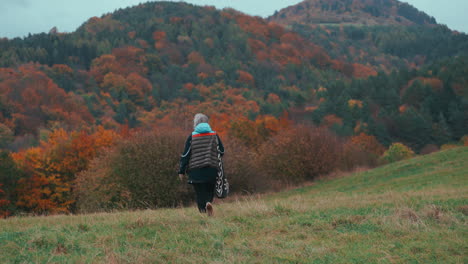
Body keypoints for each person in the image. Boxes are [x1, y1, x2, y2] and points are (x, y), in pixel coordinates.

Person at [178, 113, 224, 216]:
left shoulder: (192, 136)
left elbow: (186, 154)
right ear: (207, 122)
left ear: (195, 123)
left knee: (200, 193)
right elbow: (221, 151)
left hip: (196, 171)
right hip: (211, 169)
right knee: (209, 190)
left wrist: (181, 170)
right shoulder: (214, 135)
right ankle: (208, 203)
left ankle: (203, 212)